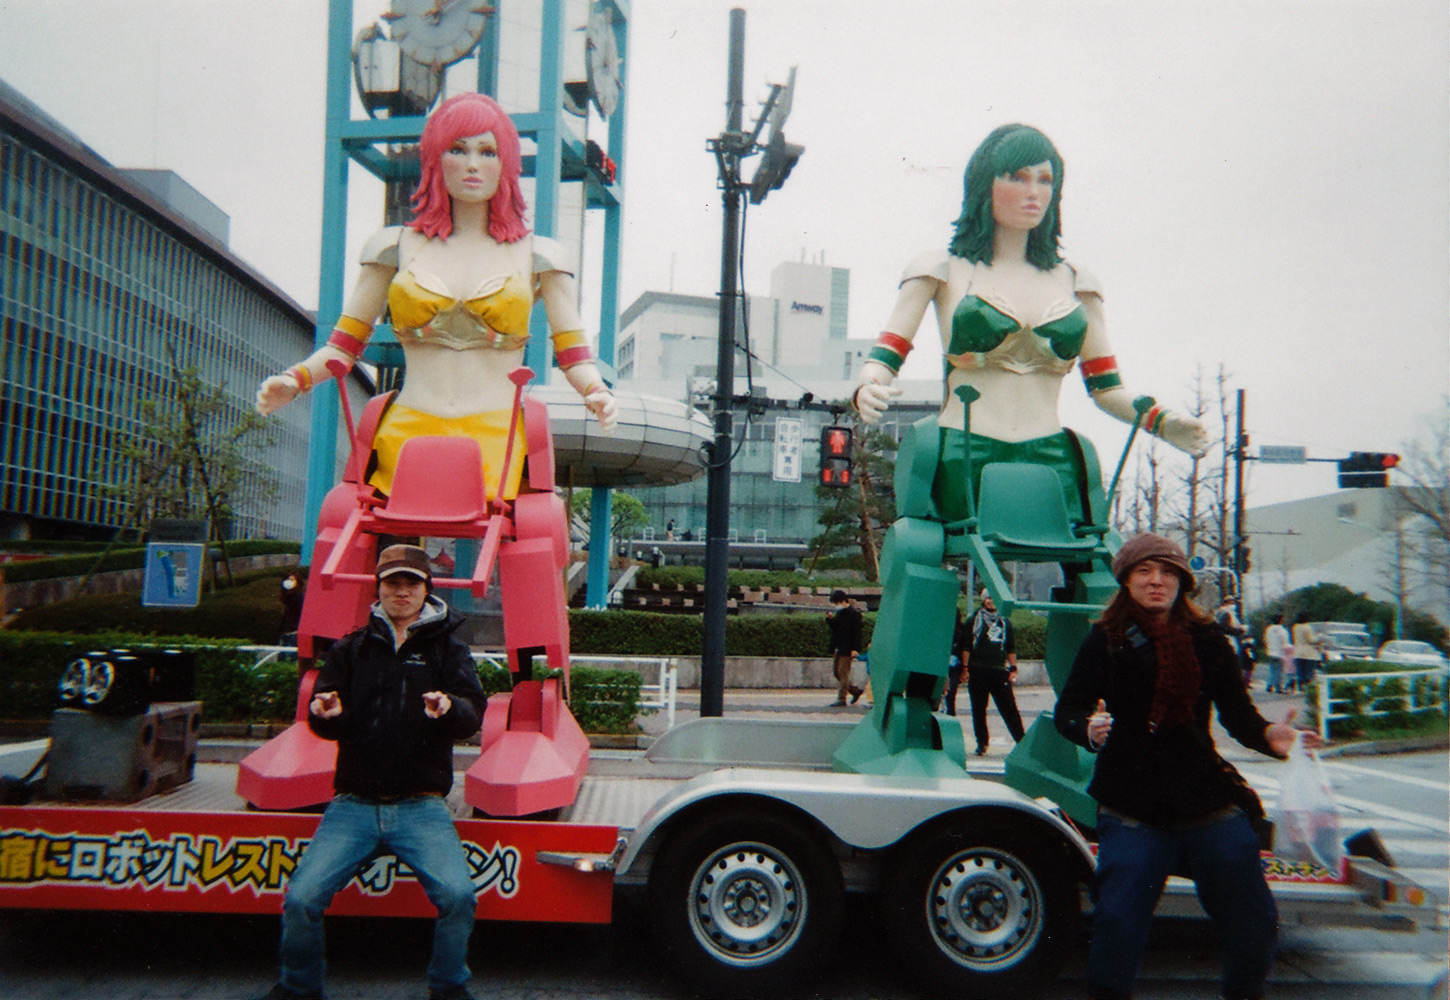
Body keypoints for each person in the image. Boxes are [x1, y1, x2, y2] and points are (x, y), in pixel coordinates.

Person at [256, 92, 618, 503]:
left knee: (524, 532)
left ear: (507, 163)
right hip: (408, 434)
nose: (472, 164)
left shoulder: (540, 255)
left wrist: (597, 392)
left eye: (487, 151)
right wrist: (296, 379)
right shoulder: (393, 247)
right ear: (434, 158)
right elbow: (344, 346)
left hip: (495, 440)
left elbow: (574, 355)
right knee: (346, 520)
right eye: (457, 149)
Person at [1054, 533, 1321, 1000]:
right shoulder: (1105, 641)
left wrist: (1272, 737)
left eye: (1167, 572)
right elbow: (1069, 709)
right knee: (1117, 921)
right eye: (1144, 571)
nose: (1156, 581)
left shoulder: (1210, 642)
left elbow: (1239, 717)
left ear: (1182, 582)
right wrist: (1087, 728)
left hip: (1205, 802)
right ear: (1126, 581)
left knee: (1254, 920)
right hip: (1132, 806)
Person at [256, 544, 487, 1000]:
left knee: (458, 897)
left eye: (411, 583)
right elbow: (326, 717)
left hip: (421, 805)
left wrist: (449, 708)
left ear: (426, 589)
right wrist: (326, 712)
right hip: (353, 805)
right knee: (301, 900)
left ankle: (448, 987)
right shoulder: (351, 648)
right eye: (392, 583)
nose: (401, 592)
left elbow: (472, 713)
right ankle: (298, 987)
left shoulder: (450, 650)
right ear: (378, 588)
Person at [958, 588, 1025, 754]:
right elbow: (966, 646)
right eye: (987, 598)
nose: (990, 601)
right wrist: (965, 668)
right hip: (978, 669)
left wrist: (1013, 668)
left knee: (1009, 708)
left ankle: (1022, 741)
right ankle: (982, 743)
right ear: (983, 600)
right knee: (979, 709)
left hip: (998, 670)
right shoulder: (974, 619)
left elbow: (1010, 647)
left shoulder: (1004, 622)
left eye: (993, 598)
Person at [826, 589, 864, 705]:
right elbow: (837, 629)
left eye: (837, 603)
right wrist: (830, 620)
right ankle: (855, 690)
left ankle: (842, 698)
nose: (836, 605)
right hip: (839, 647)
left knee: (843, 673)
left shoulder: (854, 614)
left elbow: (857, 633)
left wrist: (855, 649)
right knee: (836, 672)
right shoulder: (840, 613)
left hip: (848, 648)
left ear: (843, 601)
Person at [1291, 613, 1323, 696]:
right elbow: (1310, 640)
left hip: (1298, 651)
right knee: (1309, 671)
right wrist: (1318, 637)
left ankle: (1300, 688)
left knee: (1300, 671)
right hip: (1308, 653)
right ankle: (1308, 688)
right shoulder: (1307, 627)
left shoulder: (1295, 627)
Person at [1263, 612, 1291, 694]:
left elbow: (1265, 640)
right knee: (1279, 671)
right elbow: (1285, 642)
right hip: (1280, 653)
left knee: (1272, 670)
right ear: (1281, 620)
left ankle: (1269, 685)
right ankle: (1278, 687)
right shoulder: (1283, 630)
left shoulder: (1268, 629)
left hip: (1270, 651)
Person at [278, 571, 305, 646]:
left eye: (291, 580)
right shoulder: (286, 597)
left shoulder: (299, 596)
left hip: (294, 631)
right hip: (286, 631)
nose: (288, 582)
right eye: (287, 579)